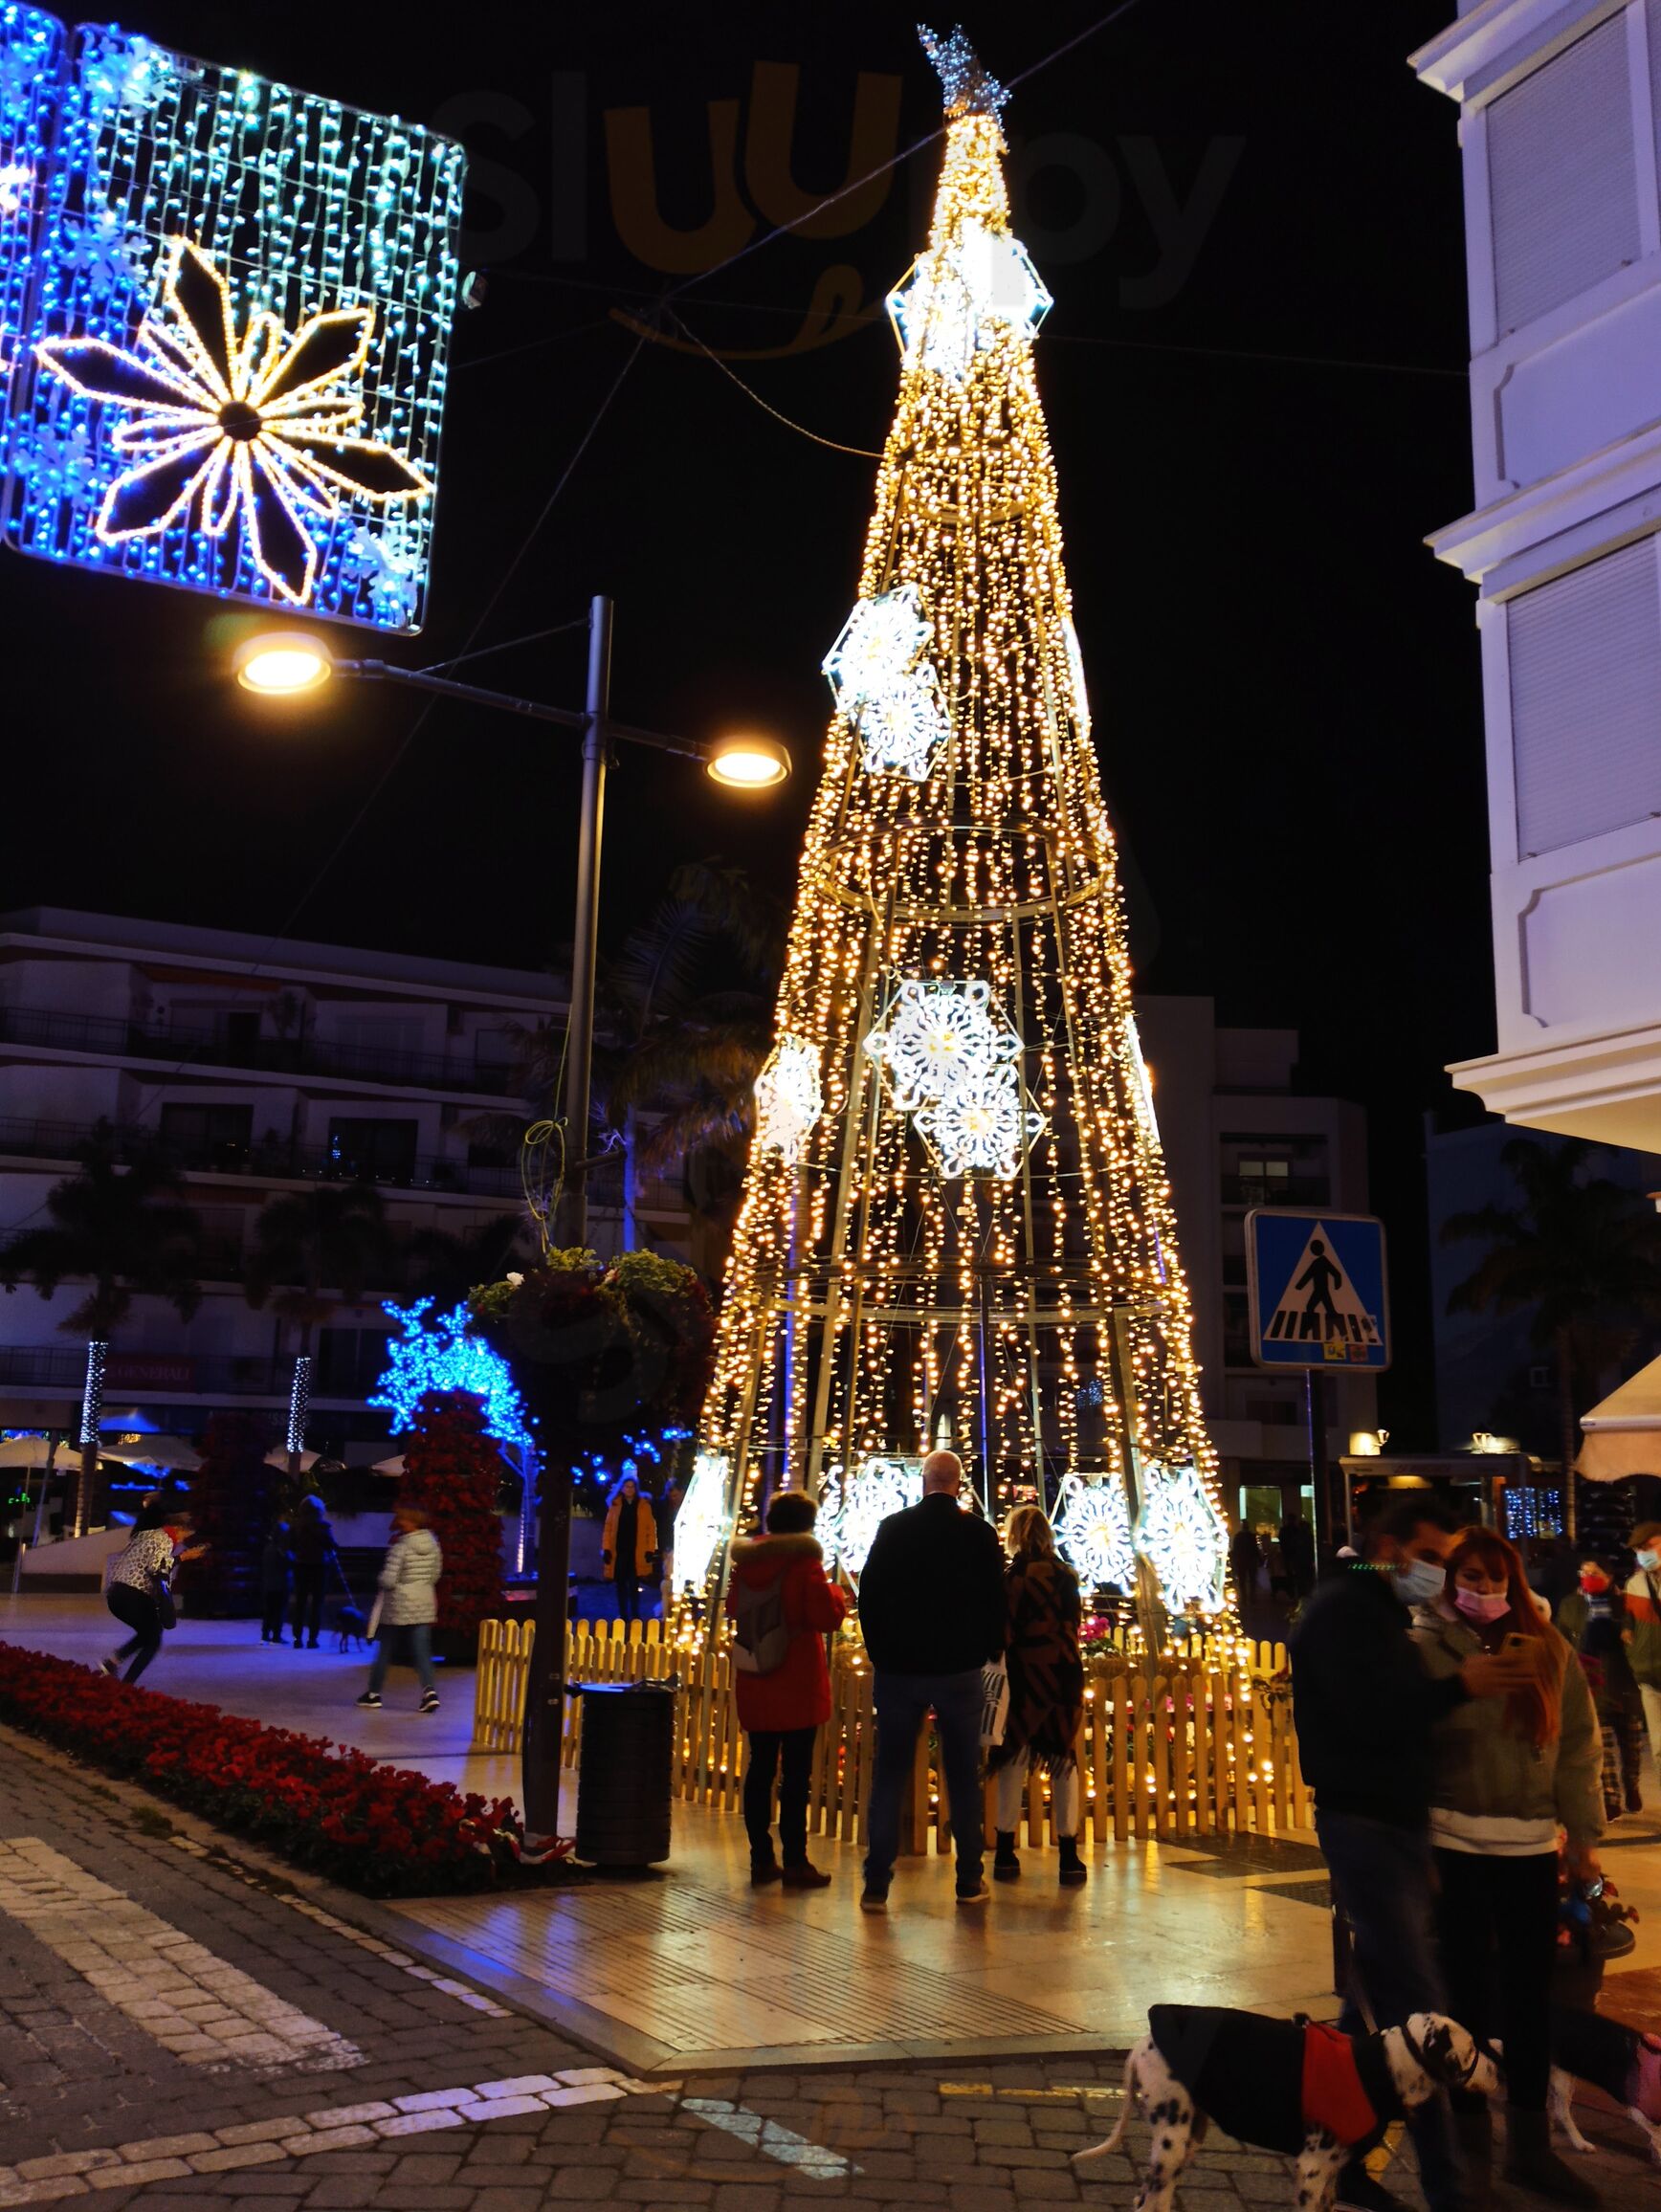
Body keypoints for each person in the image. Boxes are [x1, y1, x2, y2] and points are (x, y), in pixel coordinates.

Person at [1291, 1495, 1539, 2212]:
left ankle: (1338, 2155)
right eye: (1429, 1556)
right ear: (1389, 1548)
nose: (1436, 1571)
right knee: (1420, 2017)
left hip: (1390, 1828)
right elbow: (1370, 1718)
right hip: (1364, 1824)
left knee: (1368, 2012)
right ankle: (1449, 2187)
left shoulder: (1371, 1605)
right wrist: (1459, 1687)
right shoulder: (1345, 1609)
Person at [1413, 1529, 1603, 2208]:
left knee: (1530, 2001)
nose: (1485, 1591)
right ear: (1451, 1580)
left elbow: (1578, 1747)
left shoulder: (1547, 1646)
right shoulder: (1428, 1646)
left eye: (1496, 1580)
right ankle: (1469, 2155)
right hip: (1454, 1843)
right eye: (1472, 1577)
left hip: (1529, 1847)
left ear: (1514, 1582)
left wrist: (1583, 1838)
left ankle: (1530, 2148)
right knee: (1462, 1999)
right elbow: (1409, 1741)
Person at [856, 1449, 1007, 1912]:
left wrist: (880, 1651)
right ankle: (968, 1878)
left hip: (900, 1669)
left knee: (890, 1774)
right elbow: (995, 1598)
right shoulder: (979, 1533)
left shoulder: (893, 1528)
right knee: (962, 1776)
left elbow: (870, 1594)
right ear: (958, 1483)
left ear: (923, 1481)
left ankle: (877, 1882)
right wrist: (987, 1648)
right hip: (958, 1668)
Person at [724, 1489, 849, 1889]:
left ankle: (761, 1859)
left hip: (757, 1674)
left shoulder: (745, 1563)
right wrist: (836, 1593)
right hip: (797, 1679)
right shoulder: (805, 1564)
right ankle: (796, 1861)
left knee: (759, 1769)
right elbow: (826, 1616)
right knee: (796, 1776)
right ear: (807, 1526)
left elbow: (733, 1608)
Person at [989, 1505, 1087, 1886]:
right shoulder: (1067, 1576)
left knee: (1013, 1756)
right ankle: (1068, 1854)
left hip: (1025, 1675)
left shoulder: (1012, 1579)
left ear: (1014, 1536)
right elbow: (1073, 1623)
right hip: (1064, 1675)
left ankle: (1005, 1849)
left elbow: (1003, 1633)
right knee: (1063, 1759)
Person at [1559, 1557, 1645, 1819]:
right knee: (1602, 1747)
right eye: (1583, 1572)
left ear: (1609, 1577)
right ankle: (1611, 1797)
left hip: (1624, 1683)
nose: (1587, 1577)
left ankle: (1631, 1783)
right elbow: (1562, 1639)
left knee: (1631, 1746)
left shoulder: (1625, 1603)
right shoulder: (1571, 1605)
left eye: (1594, 1573)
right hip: (1592, 1684)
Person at [100, 1508, 203, 1684]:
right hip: (133, 1595)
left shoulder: (148, 1534)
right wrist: (183, 1558)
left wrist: (181, 1557)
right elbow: (157, 1569)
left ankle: (114, 1661)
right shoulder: (165, 1540)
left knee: (149, 1632)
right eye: (184, 1536)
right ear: (178, 1528)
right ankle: (127, 1685)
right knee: (153, 1640)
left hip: (116, 1593)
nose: (181, 1541)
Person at [358, 1505, 443, 1713]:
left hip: (398, 1605)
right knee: (422, 1651)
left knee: (385, 1650)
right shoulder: (434, 1544)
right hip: (423, 1602)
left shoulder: (401, 1547)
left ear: (410, 1521)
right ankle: (429, 1692)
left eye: (402, 1518)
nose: (398, 1521)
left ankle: (373, 1694)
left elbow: (389, 1580)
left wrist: (380, 1579)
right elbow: (435, 1575)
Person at [1621, 1520, 1661, 1778]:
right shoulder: (1634, 1584)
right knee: (1659, 1748)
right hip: (1648, 1676)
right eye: (1638, 1549)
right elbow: (1628, 1627)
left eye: (1648, 1546)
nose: (1642, 1553)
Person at [602, 1473, 656, 1626]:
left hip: (635, 1551)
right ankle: (623, 1614)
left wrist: (650, 1549)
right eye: (627, 1486)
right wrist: (606, 1548)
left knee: (634, 1585)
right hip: (619, 1551)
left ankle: (635, 1615)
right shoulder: (615, 1506)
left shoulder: (644, 1506)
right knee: (620, 1585)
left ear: (636, 1489)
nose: (629, 1489)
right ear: (622, 1488)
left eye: (632, 1487)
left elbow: (650, 1529)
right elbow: (608, 1528)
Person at [289, 1494, 333, 1650]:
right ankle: (312, 1639)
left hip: (301, 1567)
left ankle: (297, 1638)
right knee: (317, 1604)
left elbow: (290, 1546)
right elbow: (331, 1545)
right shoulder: (323, 1526)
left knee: (300, 1603)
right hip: (319, 1567)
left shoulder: (296, 1527)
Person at [259, 1519, 291, 1645]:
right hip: (281, 1584)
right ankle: (276, 1635)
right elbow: (289, 1563)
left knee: (269, 1610)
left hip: (269, 1584)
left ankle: (265, 1634)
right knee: (279, 1610)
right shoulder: (282, 1550)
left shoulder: (268, 1548)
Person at [1278, 1508, 1317, 1601]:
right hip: (1303, 1560)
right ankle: (1304, 1594)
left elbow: (1284, 1543)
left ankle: (1295, 1594)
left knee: (1294, 1577)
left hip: (1293, 1558)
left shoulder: (1287, 1531)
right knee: (1305, 1577)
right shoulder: (1301, 1534)